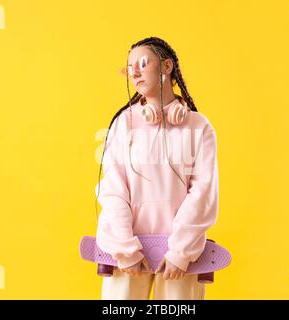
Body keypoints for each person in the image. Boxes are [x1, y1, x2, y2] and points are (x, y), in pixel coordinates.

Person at [94, 36, 219, 300]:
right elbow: (113, 189)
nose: (134, 72)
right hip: (126, 252)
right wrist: (126, 248)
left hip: (181, 256)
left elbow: (204, 193)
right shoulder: (123, 124)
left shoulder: (199, 127)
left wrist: (180, 251)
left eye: (141, 63)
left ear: (166, 66)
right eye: (129, 68)